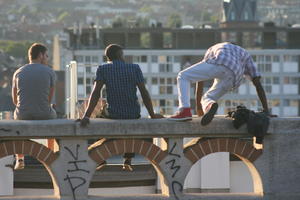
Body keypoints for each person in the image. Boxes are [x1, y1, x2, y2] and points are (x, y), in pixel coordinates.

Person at [79, 44, 163, 171]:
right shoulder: (134, 68)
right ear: (119, 55)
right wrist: (152, 114)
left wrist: (86, 115)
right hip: (133, 113)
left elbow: (95, 93)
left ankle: (100, 157)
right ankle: (128, 159)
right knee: (129, 131)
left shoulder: (103, 69)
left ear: (108, 57)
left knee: (100, 116)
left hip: (114, 113)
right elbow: (144, 93)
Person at [169, 42, 272, 124]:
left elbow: (200, 79)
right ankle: (210, 105)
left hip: (221, 61)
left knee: (183, 76)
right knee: (208, 97)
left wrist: (198, 108)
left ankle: (184, 110)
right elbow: (257, 82)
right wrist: (266, 111)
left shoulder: (217, 47)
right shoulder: (245, 54)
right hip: (235, 77)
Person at [12, 43, 57, 169]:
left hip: (23, 114)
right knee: (53, 113)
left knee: (17, 120)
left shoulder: (18, 72)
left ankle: (20, 158)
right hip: (44, 114)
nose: (47, 58)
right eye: (46, 55)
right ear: (41, 55)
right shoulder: (50, 72)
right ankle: (50, 155)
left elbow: (15, 100)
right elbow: (49, 100)